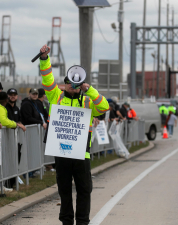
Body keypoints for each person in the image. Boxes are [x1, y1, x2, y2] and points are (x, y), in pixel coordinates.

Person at [39, 44, 109, 225]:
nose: (73, 86)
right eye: (70, 83)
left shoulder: (87, 101)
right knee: (64, 190)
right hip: (62, 153)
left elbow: (104, 107)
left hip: (82, 153)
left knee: (85, 189)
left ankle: (83, 221)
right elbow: (47, 80)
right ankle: (67, 221)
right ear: (65, 84)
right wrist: (44, 59)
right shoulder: (56, 97)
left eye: (77, 83)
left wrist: (90, 89)